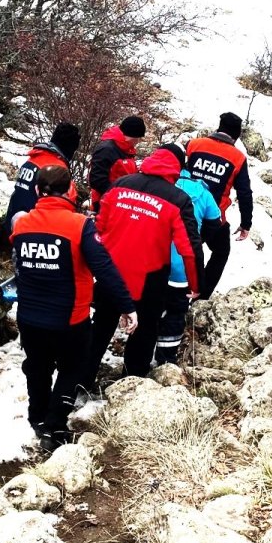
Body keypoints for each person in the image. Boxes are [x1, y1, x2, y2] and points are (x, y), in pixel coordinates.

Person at [12, 165, 136, 449]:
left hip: (29, 316)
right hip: (70, 319)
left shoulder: (21, 224)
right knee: (72, 369)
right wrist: (127, 305)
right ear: (69, 190)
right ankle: (55, 425)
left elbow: (20, 266)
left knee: (37, 367)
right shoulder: (79, 225)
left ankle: (37, 416)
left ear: (37, 191)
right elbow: (104, 268)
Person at [83, 146, 203, 388]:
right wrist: (195, 283)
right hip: (150, 277)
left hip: (111, 270)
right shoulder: (178, 199)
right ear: (177, 168)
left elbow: (100, 228)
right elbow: (190, 249)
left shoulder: (120, 184)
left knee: (101, 325)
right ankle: (132, 384)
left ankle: (81, 380)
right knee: (145, 329)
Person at [154, 144, 221, 364]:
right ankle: (165, 358)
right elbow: (214, 224)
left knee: (149, 303)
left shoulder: (156, 185)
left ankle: (140, 348)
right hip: (183, 266)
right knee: (175, 311)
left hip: (153, 258)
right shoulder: (203, 192)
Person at [186, 111, 254, 298]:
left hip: (181, 210)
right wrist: (246, 223)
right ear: (236, 135)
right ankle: (202, 295)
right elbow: (244, 192)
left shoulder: (194, 144)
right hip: (212, 218)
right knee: (221, 251)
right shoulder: (237, 158)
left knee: (179, 252)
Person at [1, 122, 81, 237]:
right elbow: (68, 205)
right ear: (71, 149)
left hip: (14, 224)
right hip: (35, 232)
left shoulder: (31, 160)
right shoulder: (57, 171)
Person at [88, 115, 144, 211]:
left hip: (121, 201)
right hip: (106, 202)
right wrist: (118, 195)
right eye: (139, 138)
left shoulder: (126, 149)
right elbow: (96, 179)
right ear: (133, 136)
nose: (139, 141)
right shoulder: (107, 149)